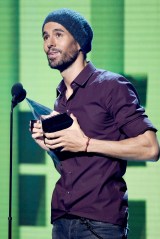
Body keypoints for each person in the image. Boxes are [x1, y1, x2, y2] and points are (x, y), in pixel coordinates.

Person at [30, 8, 159, 239]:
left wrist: (86, 143)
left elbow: (150, 148)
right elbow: (73, 167)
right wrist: (51, 148)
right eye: (45, 36)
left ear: (79, 42)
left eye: (58, 34)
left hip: (99, 223)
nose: (49, 42)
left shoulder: (111, 86)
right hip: (62, 220)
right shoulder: (60, 99)